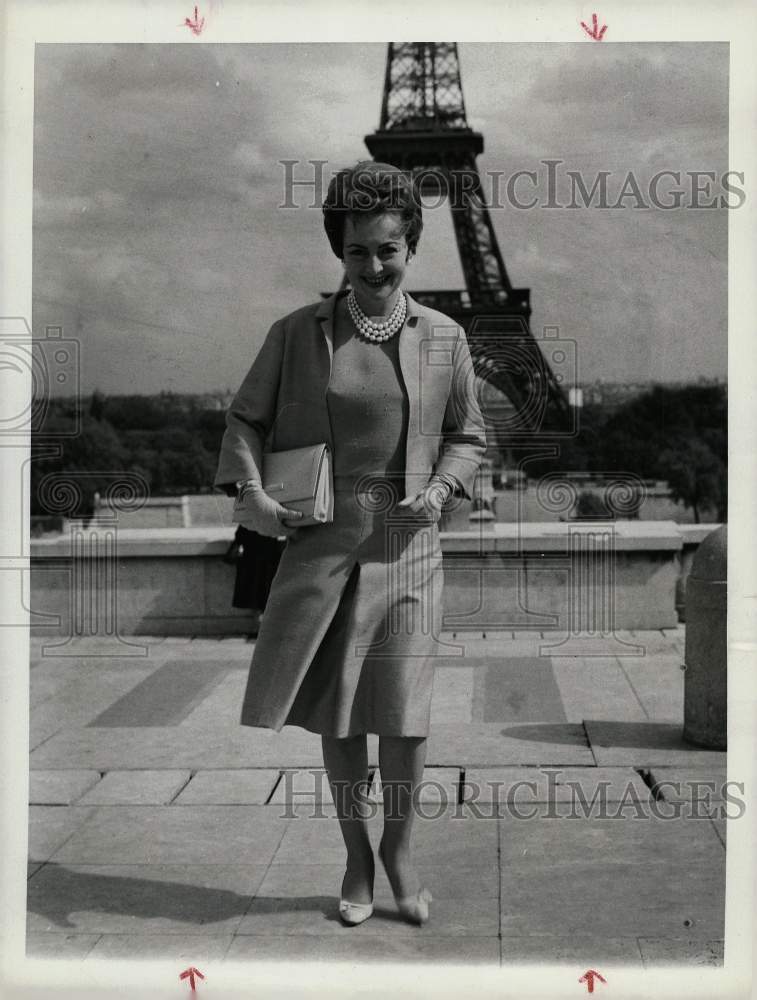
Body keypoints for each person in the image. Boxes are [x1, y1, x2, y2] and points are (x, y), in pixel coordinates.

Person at [214, 160, 487, 927]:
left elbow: (470, 434)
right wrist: (257, 500)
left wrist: (438, 491)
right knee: (340, 718)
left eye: (388, 251)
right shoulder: (297, 334)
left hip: (408, 549)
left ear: (411, 248)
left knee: (404, 717)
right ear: (339, 249)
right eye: (357, 251)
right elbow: (244, 422)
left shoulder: (444, 337)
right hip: (323, 551)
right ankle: (355, 855)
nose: (372, 267)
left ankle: (399, 853)